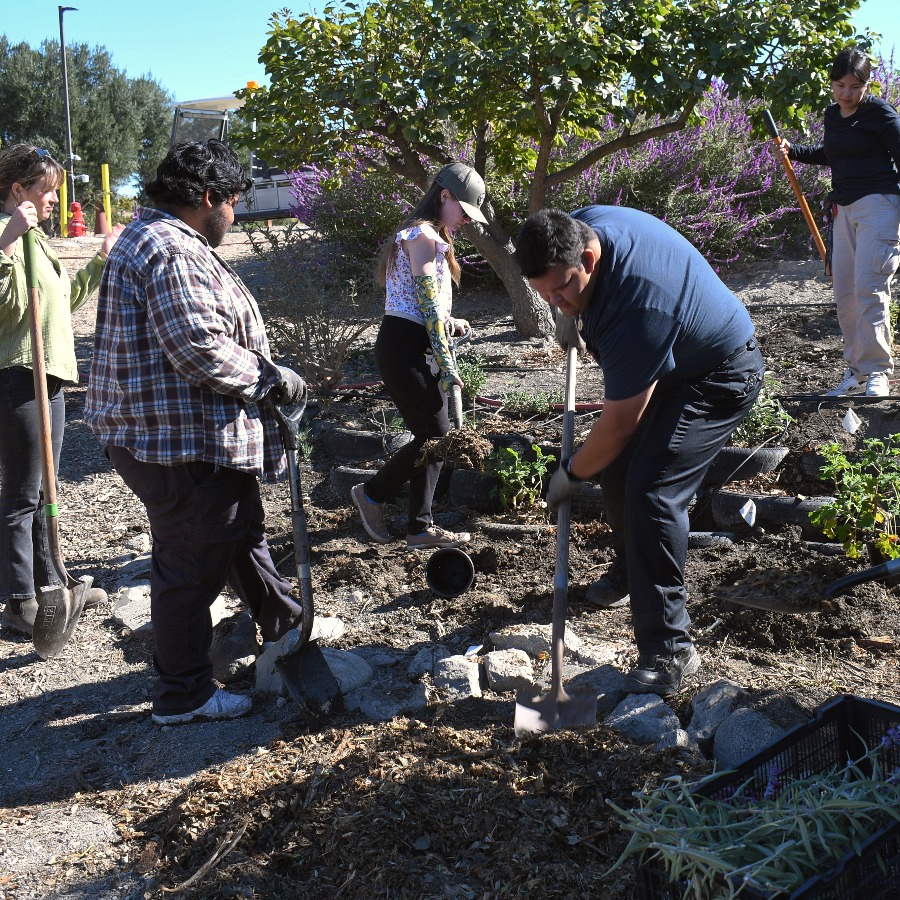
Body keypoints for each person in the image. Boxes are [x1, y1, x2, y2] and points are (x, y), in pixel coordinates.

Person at [84, 140, 308, 725]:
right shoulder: (169, 249)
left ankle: (285, 626)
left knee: (237, 531)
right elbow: (197, 346)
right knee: (189, 563)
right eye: (232, 202)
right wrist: (269, 378)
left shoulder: (163, 238)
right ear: (208, 198)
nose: (233, 215)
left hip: (182, 434)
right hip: (176, 440)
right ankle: (182, 695)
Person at [515, 207, 764, 697]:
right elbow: (616, 440)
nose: (556, 303)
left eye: (561, 289)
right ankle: (633, 567)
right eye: (545, 295)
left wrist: (570, 473)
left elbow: (617, 424)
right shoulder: (579, 227)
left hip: (719, 375)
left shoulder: (639, 306)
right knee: (618, 474)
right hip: (673, 362)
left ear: (588, 257)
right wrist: (569, 310)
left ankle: (669, 648)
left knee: (653, 492)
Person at [0, 144, 120, 638]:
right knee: (23, 493)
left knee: (48, 488)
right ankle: (19, 602)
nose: (54, 201)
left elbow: (60, 301)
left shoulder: (38, 240)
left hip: (49, 376)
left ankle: (55, 585)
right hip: (17, 378)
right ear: (17, 191)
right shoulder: (9, 236)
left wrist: (99, 260)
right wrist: (7, 239)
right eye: (47, 191)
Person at [351, 163, 487, 549]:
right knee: (437, 436)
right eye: (463, 211)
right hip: (404, 347)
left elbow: (428, 308)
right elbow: (425, 309)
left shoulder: (428, 236)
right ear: (444, 196)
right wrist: (448, 366)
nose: (465, 221)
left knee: (433, 436)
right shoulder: (422, 236)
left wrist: (451, 321)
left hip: (414, 342)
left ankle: (418, 528)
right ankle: (373, 495)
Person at [774, 47, 900, 398]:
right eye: (840, 85)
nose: (846, 93)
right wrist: (793, 150)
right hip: (842, 210)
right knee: (845, 294)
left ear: (866, 85)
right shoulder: (833, 116)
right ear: (832, 83)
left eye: (855, 87)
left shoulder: (880, 114)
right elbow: (833, 153)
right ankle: (857, 372)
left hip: (879, 206)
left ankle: (877, 373)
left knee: (869, 289)